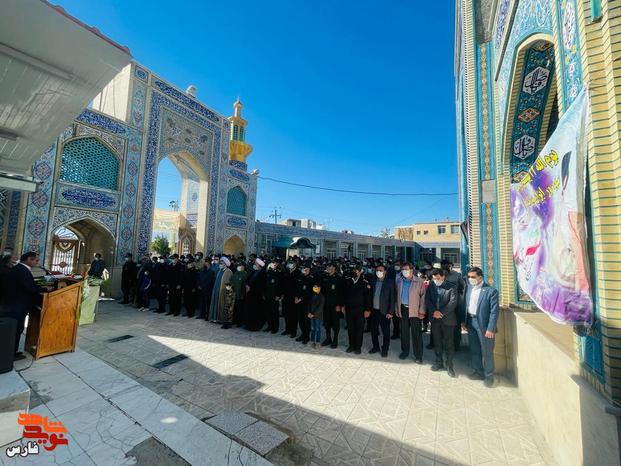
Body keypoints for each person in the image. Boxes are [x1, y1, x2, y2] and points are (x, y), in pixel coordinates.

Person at [0, 252, 46, 360]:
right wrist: (44, 289)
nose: (37, 263)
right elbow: (29, 288)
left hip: (13, 304)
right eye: (36, 260)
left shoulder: (19, 269)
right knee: (15, 330)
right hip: (17, 305)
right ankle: (10, 355)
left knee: (15, 330)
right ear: (29, 259)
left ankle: (12, 352)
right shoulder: (22, 270)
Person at [463, 266, 499, 387]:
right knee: (475, 349)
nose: (470, 279)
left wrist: (491, 328)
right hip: (471, 322)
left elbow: (494, 312)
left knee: (487, 351)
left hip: (483, 325)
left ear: (480, 277)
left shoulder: (491, 291)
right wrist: (464, 322)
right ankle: (477, 371)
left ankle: (489, 376)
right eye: (469, 277)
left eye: (473, 277)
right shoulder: (469, 288)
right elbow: (466, 305)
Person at [425, 268, 458, 377]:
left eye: (438, 278)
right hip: (435, 319)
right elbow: (428, 300)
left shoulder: (452, 287)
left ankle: (449, 365)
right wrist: (434, 311)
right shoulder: (431, 285)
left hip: (448, 319)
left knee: (449, 343)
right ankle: (438, 362)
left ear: (443, 276)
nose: (436, 281)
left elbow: (453, 302)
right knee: (437, 342)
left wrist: (441, 312)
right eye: (434, 279)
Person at [395, 262, 427, 363]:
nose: (404, 271)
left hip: (415, 310)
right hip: (403, 309)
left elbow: (423, 297)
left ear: (411, 270)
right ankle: (405, 352)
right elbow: (397, 296)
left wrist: (422, 311)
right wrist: (397, 309)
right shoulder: (399, 281)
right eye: (403, 269)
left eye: (406, 269)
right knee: (404, 332)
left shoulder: (419, 281)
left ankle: (418, 355)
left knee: (416, 333)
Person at [343, 264, 372, 354]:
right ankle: (351, 345)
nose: (355, 272)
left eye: (356, 271)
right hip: (349, 309)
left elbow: (368, 297)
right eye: (354, 270)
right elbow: (345, 295)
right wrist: (343, 306)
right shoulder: (348, 281)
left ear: (360, 272)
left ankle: (358, 347)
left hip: (360, 310)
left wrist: (368, 310)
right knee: (350, 328)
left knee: (359, 329)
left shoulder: (364, 283)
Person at [368, 264, 395, 358]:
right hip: (374, 311)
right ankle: (375, 347)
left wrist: (391, 312)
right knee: (373, 330)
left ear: (385, 272)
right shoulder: (373, 281)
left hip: (385, 312)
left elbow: (393, 298)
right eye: (377, 270)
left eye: (381, 270)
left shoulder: (390, 282)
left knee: (386, 332)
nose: (378, 272)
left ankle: (385, 349)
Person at [441, 260, 465, 352]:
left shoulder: (457, 275)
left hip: (455, 305)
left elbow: (462, 287)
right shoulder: (439, 274)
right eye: (444, 265)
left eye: (448, 265)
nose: (446, 267)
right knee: (442, 326)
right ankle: (444, 345)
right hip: (443, 305)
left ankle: (456, 345)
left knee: (456, 326)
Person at [321, 263, 345, 348]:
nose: (329, 268)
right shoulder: (325, 277)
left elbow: (341, 293)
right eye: (328, 267)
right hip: (326, 305)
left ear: (334, 268)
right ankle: (328, 338)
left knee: (335, 324)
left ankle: (335, 340)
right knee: (326, 323)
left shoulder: (339, 278)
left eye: (330, 267)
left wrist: (340, 305)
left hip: (335, 305)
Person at [244, 258, 267, 331]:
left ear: (259, 265)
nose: (255, 265)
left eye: (256, 264)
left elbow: (261, 285)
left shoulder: (263, 273)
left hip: (257, 295)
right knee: (250, 310)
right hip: (250, 294)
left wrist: (250, 288)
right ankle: (248, 324)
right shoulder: (254, 271)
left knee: (256, 311)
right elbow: (248, 280)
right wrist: (247, 285)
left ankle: (255, 326)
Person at [294, 264, 314, 344]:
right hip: (299, 302)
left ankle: (307, 336)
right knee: (300, 319)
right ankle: (303, 334)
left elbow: (310, 292)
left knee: (306, 320)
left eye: (307, 269)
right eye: (304, 268)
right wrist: (296, 297)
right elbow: (296, 288)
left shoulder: (311, 279)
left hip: (307, 302)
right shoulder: (300, 277)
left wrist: (300, 299)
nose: (305, 270)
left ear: (309, 270)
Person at [263, 260, 284, 333]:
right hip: (268, 295)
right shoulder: (268, 272)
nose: (273, 265)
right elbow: (265, 284)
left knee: (275, 312)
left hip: (275, 296)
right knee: (268, 311)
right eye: (272, 264)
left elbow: (280, 285)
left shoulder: (279, 273)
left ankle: (275, 327)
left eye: (275, 264)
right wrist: (264, 294)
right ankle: (270, 326)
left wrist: (278, 295)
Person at [212, 257, 233, 323]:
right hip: (216, 290)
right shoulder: (219, 271)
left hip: (223, 291)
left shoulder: (229, 272)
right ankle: (215, 317)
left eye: (222, 263)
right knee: (216, 303)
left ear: (225, 264)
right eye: (220, 263)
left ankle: (221, 319)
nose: (220, 265)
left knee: (222, 304)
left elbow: (229, 283)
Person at [282, 260, 300, 338]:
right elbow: (283, 284)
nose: (290, 264)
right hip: (286, 296)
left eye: (292, 263)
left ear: (295, 264)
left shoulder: (298, 273)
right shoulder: (286, 272)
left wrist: (297, 296)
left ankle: (293, 331)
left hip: (293, 297)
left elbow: (299, 286)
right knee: (286, 314)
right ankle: (287, 329)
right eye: (290, 263)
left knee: (293, 315)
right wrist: (282, 293)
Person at [230, 262, 248, 327]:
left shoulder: (245, 274)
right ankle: (234, 320)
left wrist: (243, 294)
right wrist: (232, 285)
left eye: (241, 265)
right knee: (234, 308)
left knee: (240, 309)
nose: (239, 266)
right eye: (239, 265)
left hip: (241, 295)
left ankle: (239, 322)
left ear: (244, 267)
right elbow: (231, 280)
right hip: (234, 294)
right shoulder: (235, 273)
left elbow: (245, 285)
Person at [308, 283, 325, 349]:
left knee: (318, 329)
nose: (315, 288)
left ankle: (318, 342)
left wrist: (313, 314)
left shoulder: (322, 296)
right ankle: (312, 341)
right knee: (312, 328)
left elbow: (320, 307)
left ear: (319, 288)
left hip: (318, 316)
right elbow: (309, 304)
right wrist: (309, 312)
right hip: (311, 315)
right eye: (314, 287)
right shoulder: (312, 295)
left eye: (316, 287)